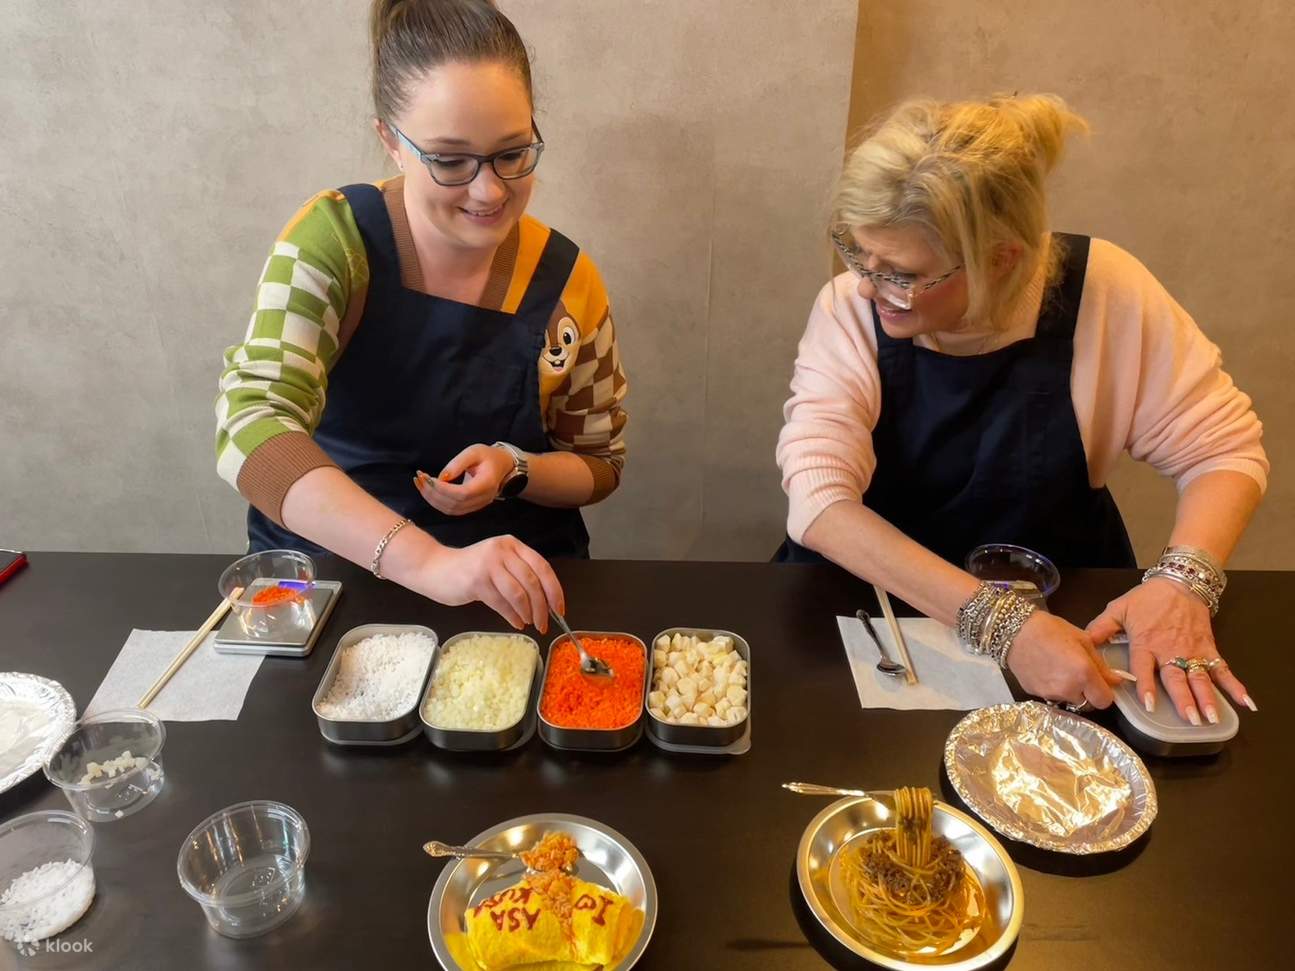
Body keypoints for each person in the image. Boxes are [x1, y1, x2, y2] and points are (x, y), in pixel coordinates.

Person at [776, 94, 1267, 723]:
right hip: (873, 600)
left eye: (901, 273)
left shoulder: (1105, 293)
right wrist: (1001, 626)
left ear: (1000, 258)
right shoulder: (849, 306)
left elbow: (1222, 450)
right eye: (856, 253)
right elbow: (819, 501)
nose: (870, 287)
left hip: (1063, 606)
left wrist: (1182, 583)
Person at [215, 0, 628, 633]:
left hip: (510, 585)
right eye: (451, 160)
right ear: (391, 141)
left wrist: (515, 470)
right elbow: (252, 426)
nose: (489, 192)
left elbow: (600, 464)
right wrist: (427, 562)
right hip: (335, 575)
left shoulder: (570, 280)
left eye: (513, 153)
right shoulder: (334, 241)